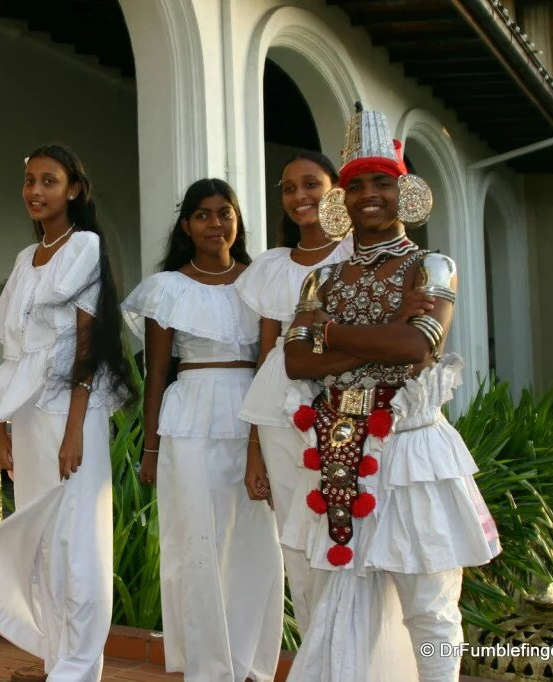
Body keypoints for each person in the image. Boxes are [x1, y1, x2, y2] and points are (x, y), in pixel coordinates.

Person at [282, 104, 500, 682]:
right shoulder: (321, 278)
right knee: (343, 604)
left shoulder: (432, 265)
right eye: (356, 186)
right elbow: (298, 360)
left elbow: (417, 349)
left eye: (383, 182)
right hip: (337, 451)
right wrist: (370, 339)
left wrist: (332, 335)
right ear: (342, 199)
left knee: (428, 606)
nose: (368, 195)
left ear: (405, 193)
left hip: (410, 450)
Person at [0, 143, 134, 682]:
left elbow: (87, 343)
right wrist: (0, 426)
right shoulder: (26, 260)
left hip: (72, 411)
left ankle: (78, 667)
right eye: (29, 181)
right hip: (25, 417)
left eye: (49, 181)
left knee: (78, 541)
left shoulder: (86, 247)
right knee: (43, 539)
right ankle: (55, 659)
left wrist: (75, 429)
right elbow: (12, 352)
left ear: (73, 189)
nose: (35, 191)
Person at [123, 178, 283, 682]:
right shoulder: (168, 287)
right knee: (195, 541)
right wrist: (149, 447)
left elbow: (272, 362)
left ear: (238, 219)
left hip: (252, 414)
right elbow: (155, 374)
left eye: (225, 212)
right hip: (188, 415)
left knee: (255, 543)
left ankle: (250, 664)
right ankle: (207, 668)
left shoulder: (261, 283)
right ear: (187, 226)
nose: (216, 223)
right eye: (204, 215)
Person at [236, 151, 354, 635]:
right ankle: (314, 655)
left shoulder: (356, 254)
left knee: (340, 531)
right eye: (288, 188)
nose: (300, 196)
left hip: (343, 404)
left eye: (311, 184)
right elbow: (265, 356)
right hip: (276, 411)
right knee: (295, 540)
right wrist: (253, 454)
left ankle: (348, 651)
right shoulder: (271, 265)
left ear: (336, 190)